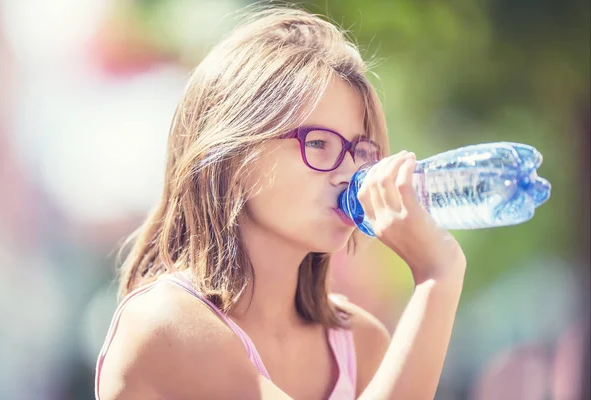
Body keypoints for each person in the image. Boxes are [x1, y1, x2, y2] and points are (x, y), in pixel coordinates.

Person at [95, 6, 467, 400]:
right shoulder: (165, 322)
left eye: (360, 150)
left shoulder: (359, 342)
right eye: (319, 144)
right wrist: (436, 279)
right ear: (234, 159)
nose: (348, 172)